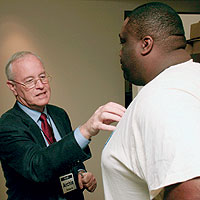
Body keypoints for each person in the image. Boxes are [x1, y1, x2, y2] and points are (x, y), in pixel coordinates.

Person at [101, 2, 200, 200]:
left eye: (123, 42)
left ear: (145, 44)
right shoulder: (191, 78)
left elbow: (191, 191)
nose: (120, 52)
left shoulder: (164, 97)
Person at [0, 51, 126, 200]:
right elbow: (38, 167)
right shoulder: (8, 125)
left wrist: (80, 173)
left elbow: (66, 155)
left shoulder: (59, 114)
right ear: (12, 87)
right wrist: (86, 130)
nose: (40, 85)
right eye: (29, 81)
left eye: (42, 77)